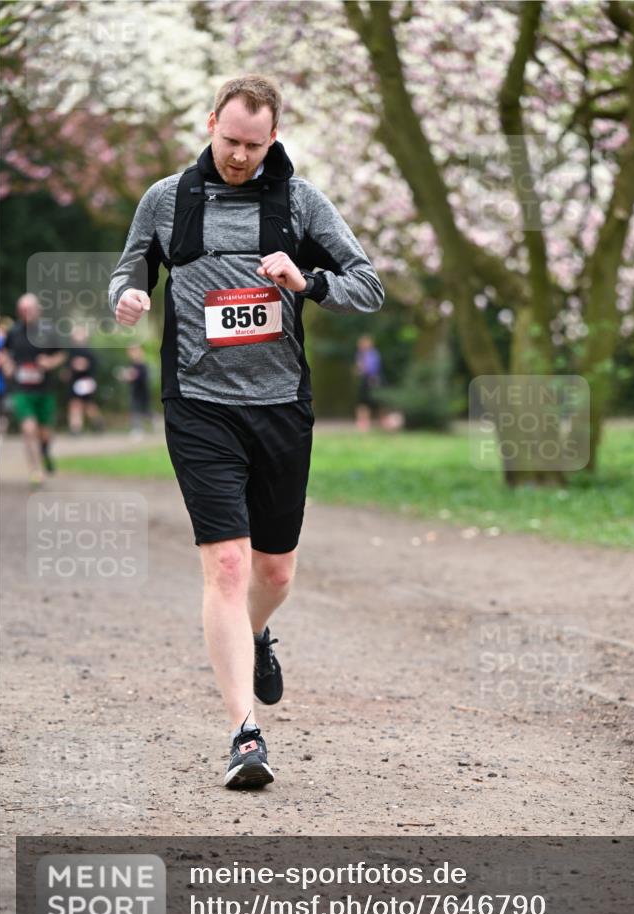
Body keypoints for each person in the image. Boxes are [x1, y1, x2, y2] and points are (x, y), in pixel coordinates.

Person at [109, 75, 384, 790]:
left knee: (274, 572)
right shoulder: (168, 199)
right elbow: (132, 264)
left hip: (280, 405)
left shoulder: (298, 203)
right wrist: (128, 293)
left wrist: (305, 281)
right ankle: (245, 735)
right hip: (199, 404)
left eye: (253, 145)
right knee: (227, 567)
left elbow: (368, 285)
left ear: (273, 138)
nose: (238, 155)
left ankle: (255, 632)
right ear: (211, 124)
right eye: (229, 139)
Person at [3, 294, 66, 485]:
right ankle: (35, 470)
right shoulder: (13, 332)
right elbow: (5, 352)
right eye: (22, 310)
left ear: (38, 310)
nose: (26, 313)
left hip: (45, 390)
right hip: (22, 389)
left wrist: (50, 362)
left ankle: (45, 451)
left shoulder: (48, 331)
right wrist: (7, 364)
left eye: (29, 309)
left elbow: (62, 354)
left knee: (45, 433)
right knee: (29, 429)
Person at [65, 324, 104, 434]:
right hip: (74, 381)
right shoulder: (71, 352)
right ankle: (76, 428)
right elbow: (69, 367)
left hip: (85, 382)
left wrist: (83, 366)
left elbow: (91, 366)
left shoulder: (88, 352)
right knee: (75, 404)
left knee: (87, 405)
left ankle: (97, 423)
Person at [116, 345, 154, 436]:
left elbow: (141, 377)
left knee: (146, 411)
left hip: (143, 391)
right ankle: (137, 428)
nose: (132, 354)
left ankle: (154, 423)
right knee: (134, 409)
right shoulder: (131, 364)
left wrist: (131, 375)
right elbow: (128, 377)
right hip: (134, 391)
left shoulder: (143, 365)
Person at [354, 335, 383, 430]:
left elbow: (373, 369)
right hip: (364, 380)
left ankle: (380, 421)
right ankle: (363, 422)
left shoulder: (373, 354)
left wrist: (362, 369)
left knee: (374, 401)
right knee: (362, 402)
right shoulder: (359, 354)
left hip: (372, 379)